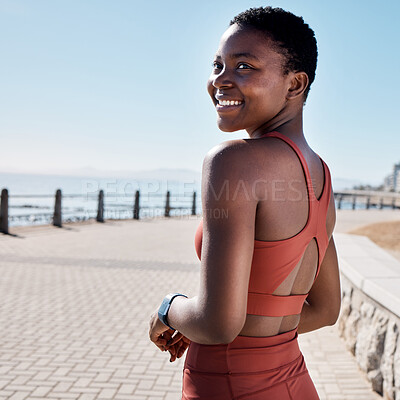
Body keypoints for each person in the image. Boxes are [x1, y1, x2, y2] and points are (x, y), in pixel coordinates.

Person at [149, 6, 341, 400]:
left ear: (294, 84)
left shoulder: (232, 161)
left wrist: (169, 309)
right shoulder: (320, 175)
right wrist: (257, 335)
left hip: (228, 387)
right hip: (296, 384)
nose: (221, 79)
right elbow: (326, 309)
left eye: (244, 66)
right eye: (218, 64)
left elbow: (219, 323)